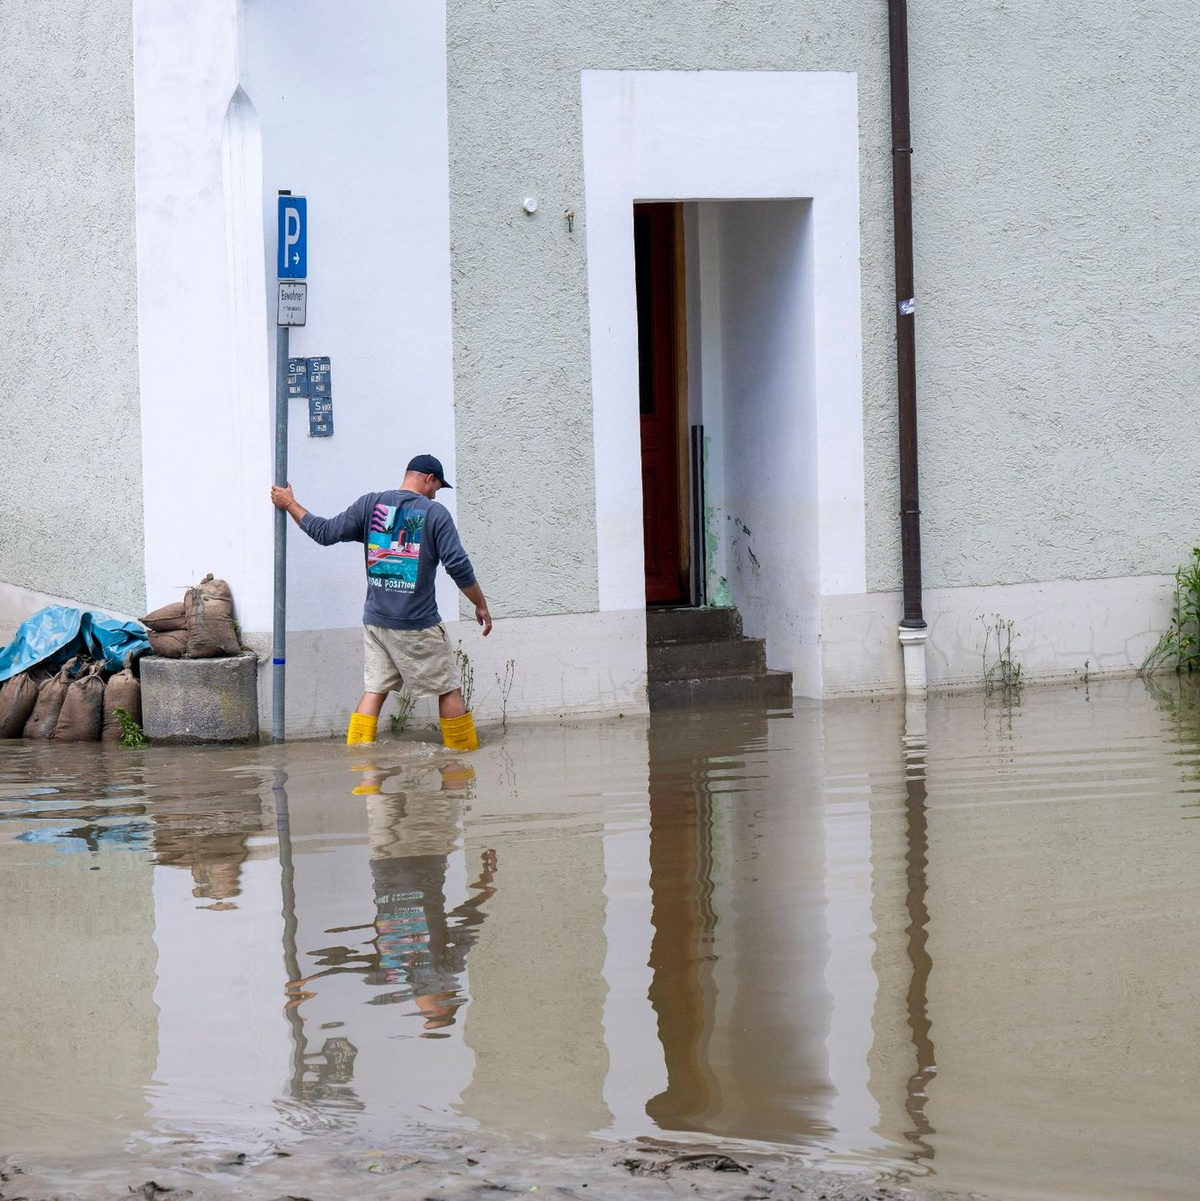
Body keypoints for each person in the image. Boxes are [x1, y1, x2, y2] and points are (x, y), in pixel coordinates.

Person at [270, 453, 491, 748]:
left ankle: (364, 772)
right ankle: (462, 762)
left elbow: (324, 533)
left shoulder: (370, 505)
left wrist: (289, 504)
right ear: (429, 479)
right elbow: (458, 566)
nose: (436, 495)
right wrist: (480, 603)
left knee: (375, 690)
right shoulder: (435, 514)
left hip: (375, 623)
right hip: (416, 625)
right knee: (448, 688)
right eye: (437, 487)